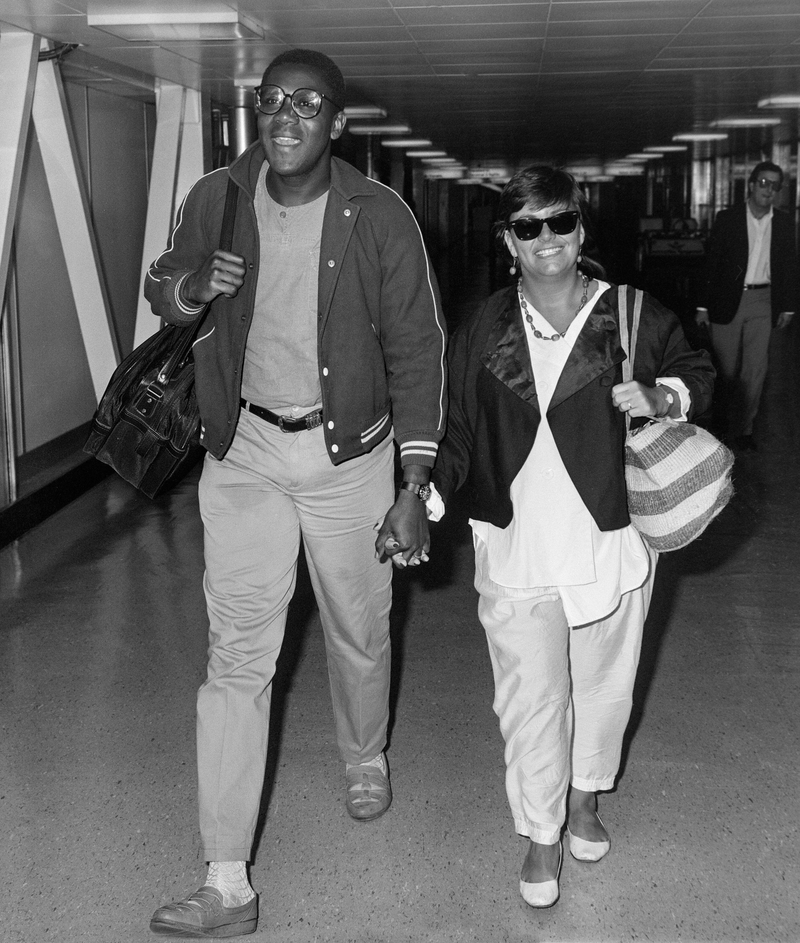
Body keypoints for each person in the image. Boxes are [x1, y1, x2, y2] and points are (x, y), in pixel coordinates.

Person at [145, 48, 447, 938]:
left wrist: (413, 480)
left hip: (349, 454)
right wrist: (192, 288)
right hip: (242, 453)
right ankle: (226, 878)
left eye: (306, 104)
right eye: (271, 101)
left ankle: (364, 753)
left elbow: (418, 346)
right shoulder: (217, 197)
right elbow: (165, 281)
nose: (284, 117)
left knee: (359, 624)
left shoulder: (380, 216)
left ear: (337, 123)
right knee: (236, 657)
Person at [430, 166, 714, 909]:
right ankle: (541, 830)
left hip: (609, 540)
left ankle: (586, 796)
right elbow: (456, 429)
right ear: (509, 241)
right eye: (528, 227)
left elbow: (698, 370)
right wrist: (421, 497)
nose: (546, 239)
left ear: (581, 231)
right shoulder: (483, 327)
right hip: (516, 542)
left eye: (560, 223)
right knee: (528, 699)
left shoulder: (630, 313)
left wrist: (662, 395)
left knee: (604, 688)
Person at [695, 160, 798, 452]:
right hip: (727, 300)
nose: (769, 190)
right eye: (763, 183)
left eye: (775, 185)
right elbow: (711, 263)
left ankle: (743, 430)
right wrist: (702, 306)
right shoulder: (727, 219)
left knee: (755, 369)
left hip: (763, 300)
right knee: (726, 371)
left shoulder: (784, 221)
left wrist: (787, 307)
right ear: (751, 185)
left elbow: (789, 265)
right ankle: (721, 425)